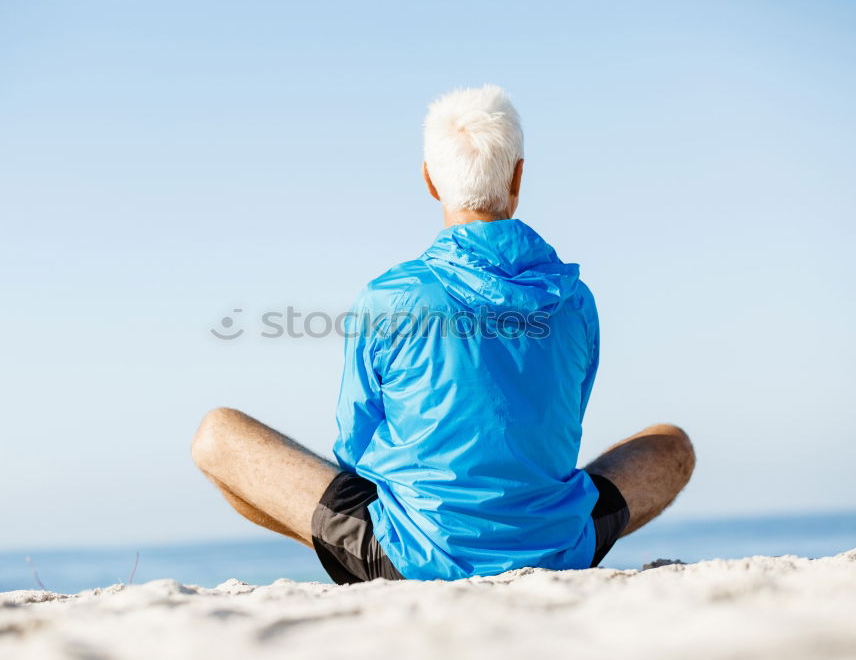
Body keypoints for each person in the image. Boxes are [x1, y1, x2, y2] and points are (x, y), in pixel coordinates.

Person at [191, 85, 695, 583]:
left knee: (216, 435)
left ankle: (349, 555)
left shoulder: (389, 297)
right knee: (672, 446)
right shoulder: (576, 299)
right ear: (518, 177)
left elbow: (352, 445)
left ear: (430, 180)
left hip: (413, 555)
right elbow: (561, 422)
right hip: (558, 545)